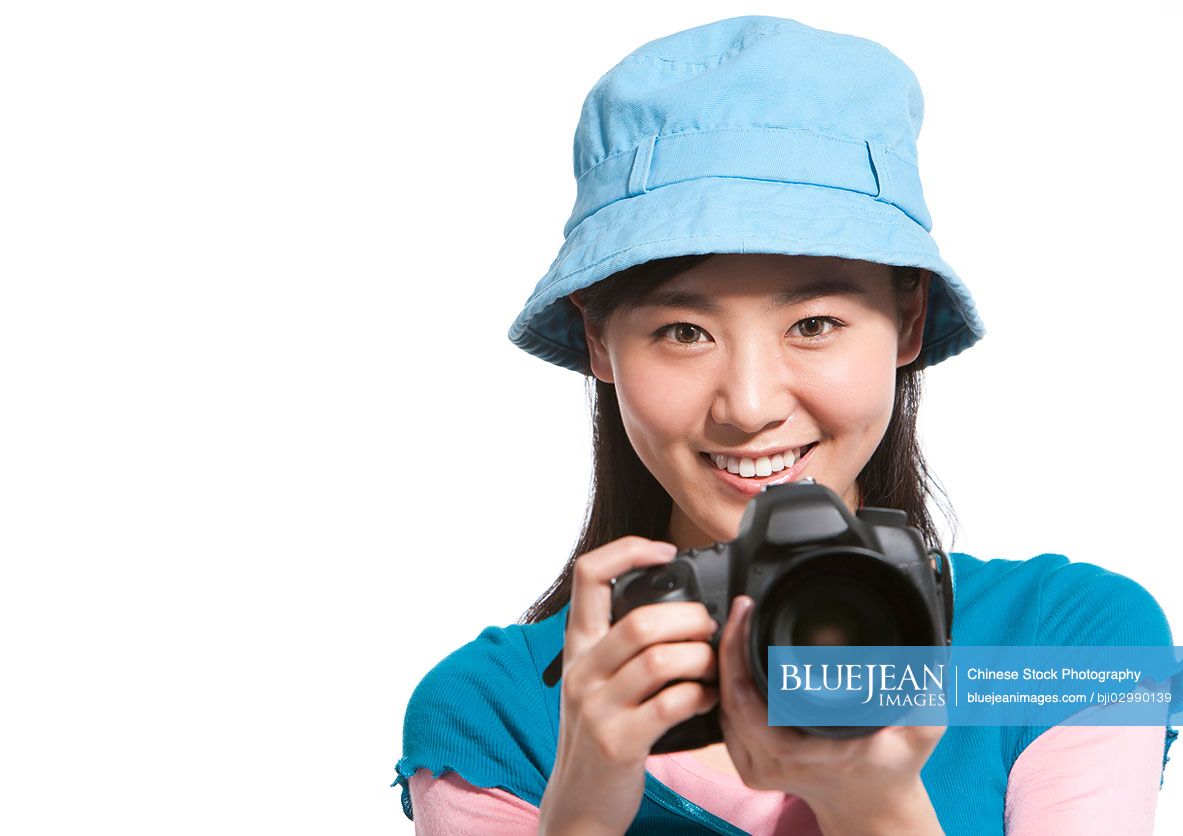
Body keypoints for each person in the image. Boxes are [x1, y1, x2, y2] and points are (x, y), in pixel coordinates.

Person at [391, 15, 1177, 835]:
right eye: (682, 332)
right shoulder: (496, 714)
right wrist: (584, 802)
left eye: (814, 323)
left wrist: (874, 806)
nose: (750, 404)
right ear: (599, 340)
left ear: (907, 322)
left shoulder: (1056, 645)